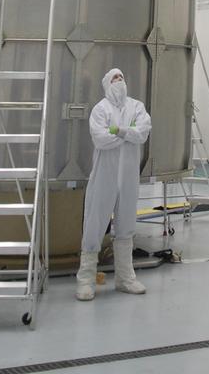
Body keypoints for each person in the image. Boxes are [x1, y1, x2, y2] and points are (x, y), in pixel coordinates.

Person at [75, 68, 152, 301]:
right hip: (104, 175)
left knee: (126, 222)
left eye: (122, 77)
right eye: (115, 79)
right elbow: (100, 139)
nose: (120, 82)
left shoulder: (136, 106)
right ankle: (85, 280)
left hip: (128, 176)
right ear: (107, 84)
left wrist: (118, 131)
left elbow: (143, 133)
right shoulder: (100, 109)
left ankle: (125, 278)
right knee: (95, 222)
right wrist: (126, 133)